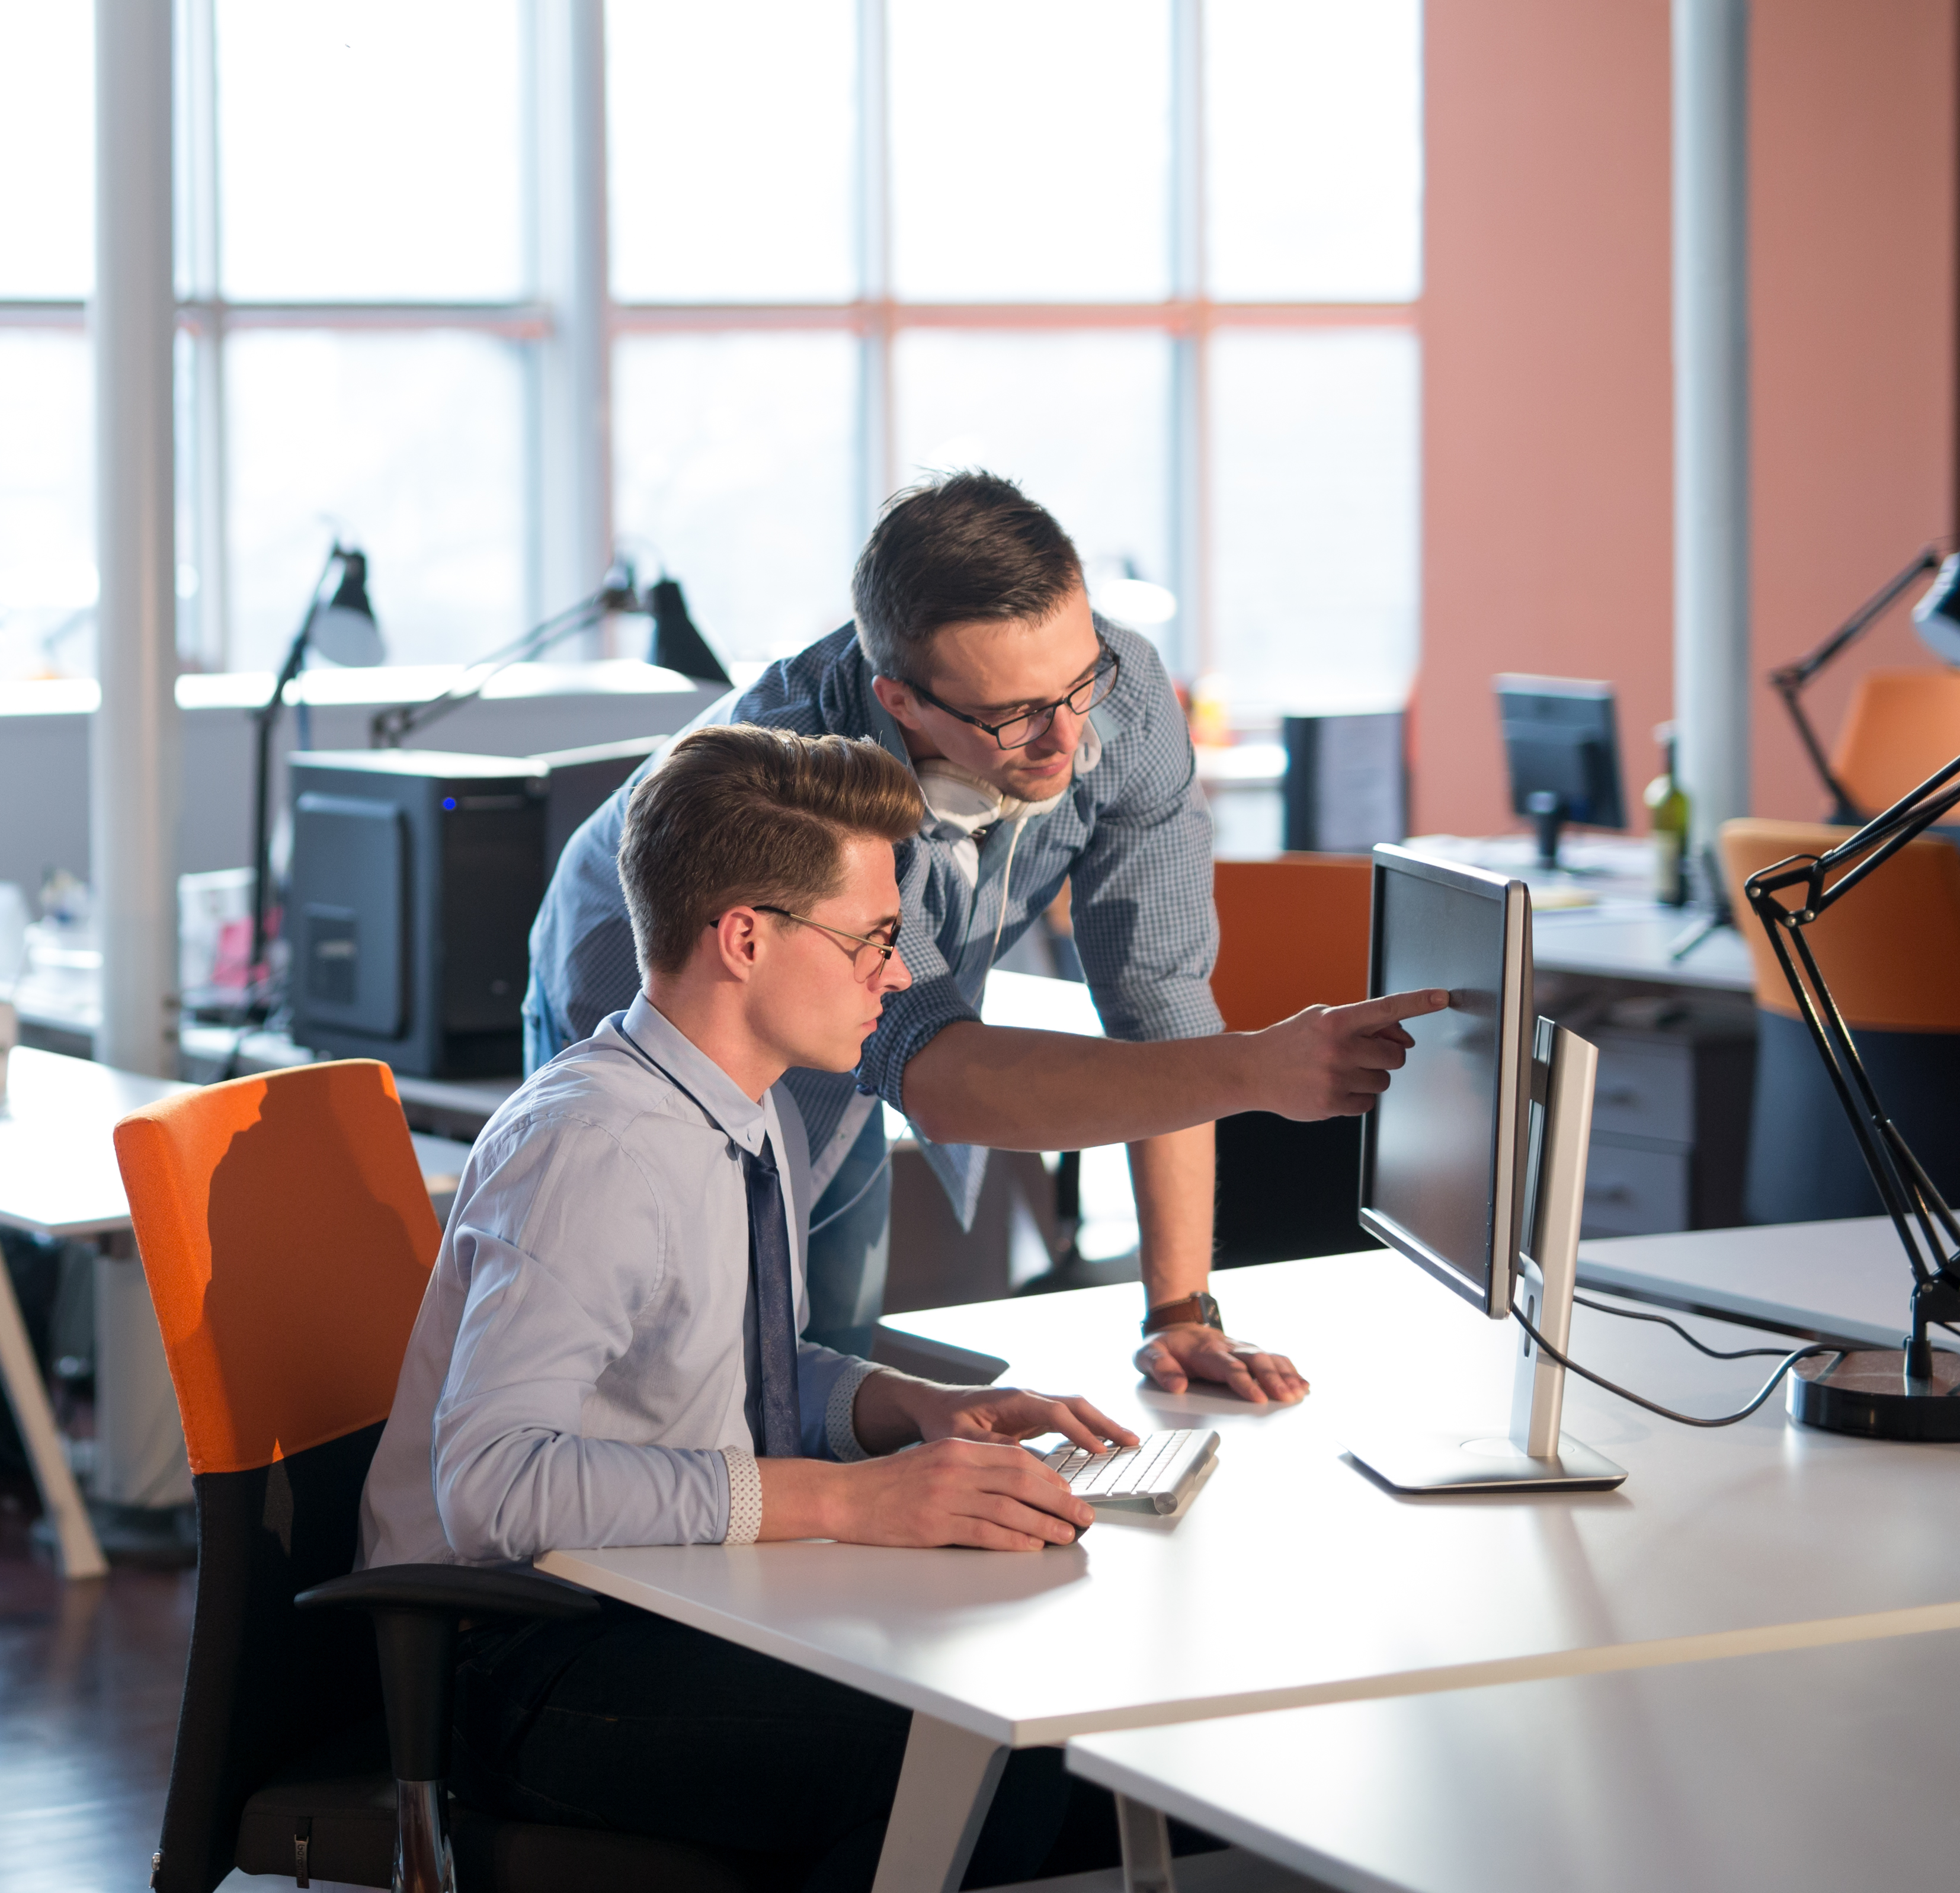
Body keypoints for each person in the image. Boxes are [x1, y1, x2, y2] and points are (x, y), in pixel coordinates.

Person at [363, 725, 1158, 1880]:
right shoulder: (588, 1150)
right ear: (743, 937)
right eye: (872, 940)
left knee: (1039, 1717)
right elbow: (490, 1487)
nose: (894, 974)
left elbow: (724, 1364)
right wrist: (848, 1500)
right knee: (991, 1763)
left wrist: (908, 1410)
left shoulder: (744, 1111)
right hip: (521, 1663)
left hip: (676, 1602)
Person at [527, 472, 1433, 1399]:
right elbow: (941, 1076)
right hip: (668, 1004)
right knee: (679, 1382)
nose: (1065, 738)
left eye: (1078, 682)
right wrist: (1258, 1070)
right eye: (1011, 715)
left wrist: (1180, 1314)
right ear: (903, 700)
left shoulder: (1117, 698)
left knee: (821, 1345)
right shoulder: (796, 775)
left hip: (845, 1023)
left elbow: (1159, 1002)